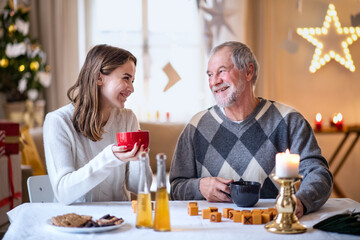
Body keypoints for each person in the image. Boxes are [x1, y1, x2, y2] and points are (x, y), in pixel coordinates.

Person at [169, 41, 333, 218]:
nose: (214, 81)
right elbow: (176, 187)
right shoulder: (196, 126)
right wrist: (200, 186)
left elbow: (319, 174)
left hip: (272, 227)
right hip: (214, 229)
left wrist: (300, 201)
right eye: (210, 74)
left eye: (222, 71)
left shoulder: (289, 121)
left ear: (248, 72)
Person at [43, 44, 152, 204]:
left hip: (119, 221)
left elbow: (141, 188)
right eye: (126, 78)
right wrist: (111, 157)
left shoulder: (128, 118)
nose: (131, 88)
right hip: (78, 223)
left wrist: (139, 158)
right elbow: (63, 193)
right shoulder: (58, 122)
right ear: (99, 77)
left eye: (132, 80)